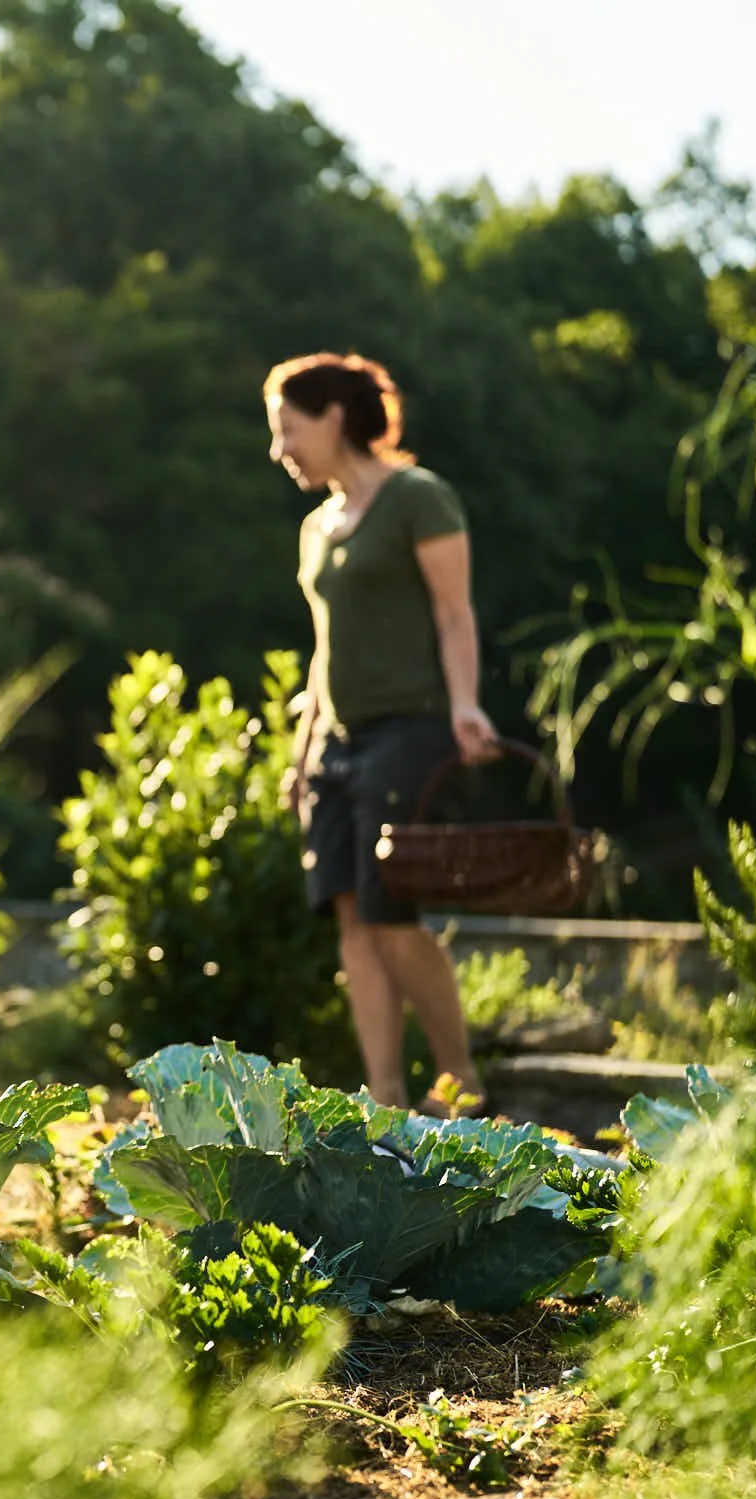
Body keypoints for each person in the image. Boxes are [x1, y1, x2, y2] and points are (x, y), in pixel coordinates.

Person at [266, 352, 501, 1113]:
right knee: (351, 921)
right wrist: (303, 753)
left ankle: (461, 1084)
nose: (280, 450)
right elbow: (324, 649)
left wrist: (464, 706)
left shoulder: (418, 499)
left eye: (288, 430)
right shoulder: (316, 527)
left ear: (334, 418)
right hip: (337, 741)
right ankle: (386, 1099)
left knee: (391, 918)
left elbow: (454, 612)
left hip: (409, 730)